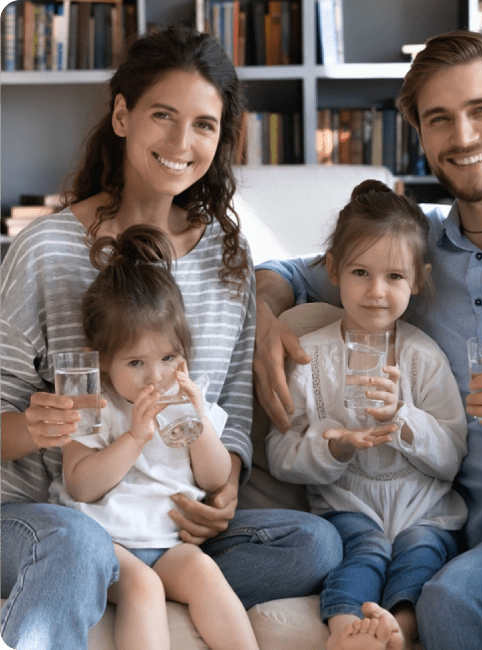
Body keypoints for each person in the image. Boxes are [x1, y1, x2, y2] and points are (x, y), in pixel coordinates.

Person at [254, 28, 482, 650]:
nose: (462, 137)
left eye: (481, 110)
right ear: (421, 136)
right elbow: (286, 270)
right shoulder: (408, 251)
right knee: (451, 600)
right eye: (440, 119)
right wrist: (264, 317)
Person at [1, 26, 341, 650]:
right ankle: (98, 574)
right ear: (123, 115)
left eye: (205, 125)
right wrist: (36, 426)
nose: (183, 143)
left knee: (315, 542)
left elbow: (232, 411)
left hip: (164, 519)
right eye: (163, 115)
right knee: (76, 544)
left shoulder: (228, 257)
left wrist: (229, 483)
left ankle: (141, 575)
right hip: (49, 515)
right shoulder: (45, 249)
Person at [265, 180, 468, 650]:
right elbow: (281, 455)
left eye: (395, 277)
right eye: (361, 272)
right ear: (334, 271)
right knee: (364, 551)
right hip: (347, 507)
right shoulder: (309, 357)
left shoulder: (423, 356)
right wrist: (331, 446)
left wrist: (404, 417)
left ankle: (400, 625)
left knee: (423, 552)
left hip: (425, 511)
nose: (377, 292)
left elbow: (452, 456)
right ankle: (346, 629)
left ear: (418, 280)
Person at [51, 224, 260, 650]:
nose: (156, 376)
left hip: (168, 543)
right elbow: (81, 484)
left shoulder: (187, 401)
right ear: (104, 360)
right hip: (106, 541)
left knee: (205, 574)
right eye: (135, 363)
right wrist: (134, 436)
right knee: (143, 587)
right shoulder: (93, 404)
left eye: (169, 357)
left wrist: (198, 423)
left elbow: (216, 479)